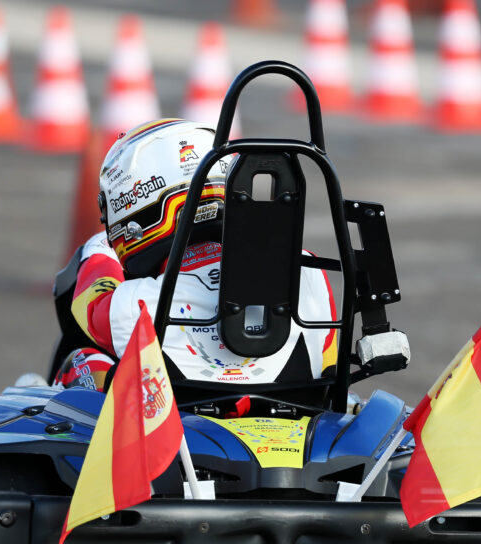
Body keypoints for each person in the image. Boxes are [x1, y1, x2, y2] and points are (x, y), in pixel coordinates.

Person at [52, 118, 337, 395]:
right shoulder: (306, 268)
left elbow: (92, 309)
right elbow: (328, 361)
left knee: (80, 363)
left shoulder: (141, 301)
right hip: (297, 420)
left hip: (185, 430)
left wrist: (98, 251)